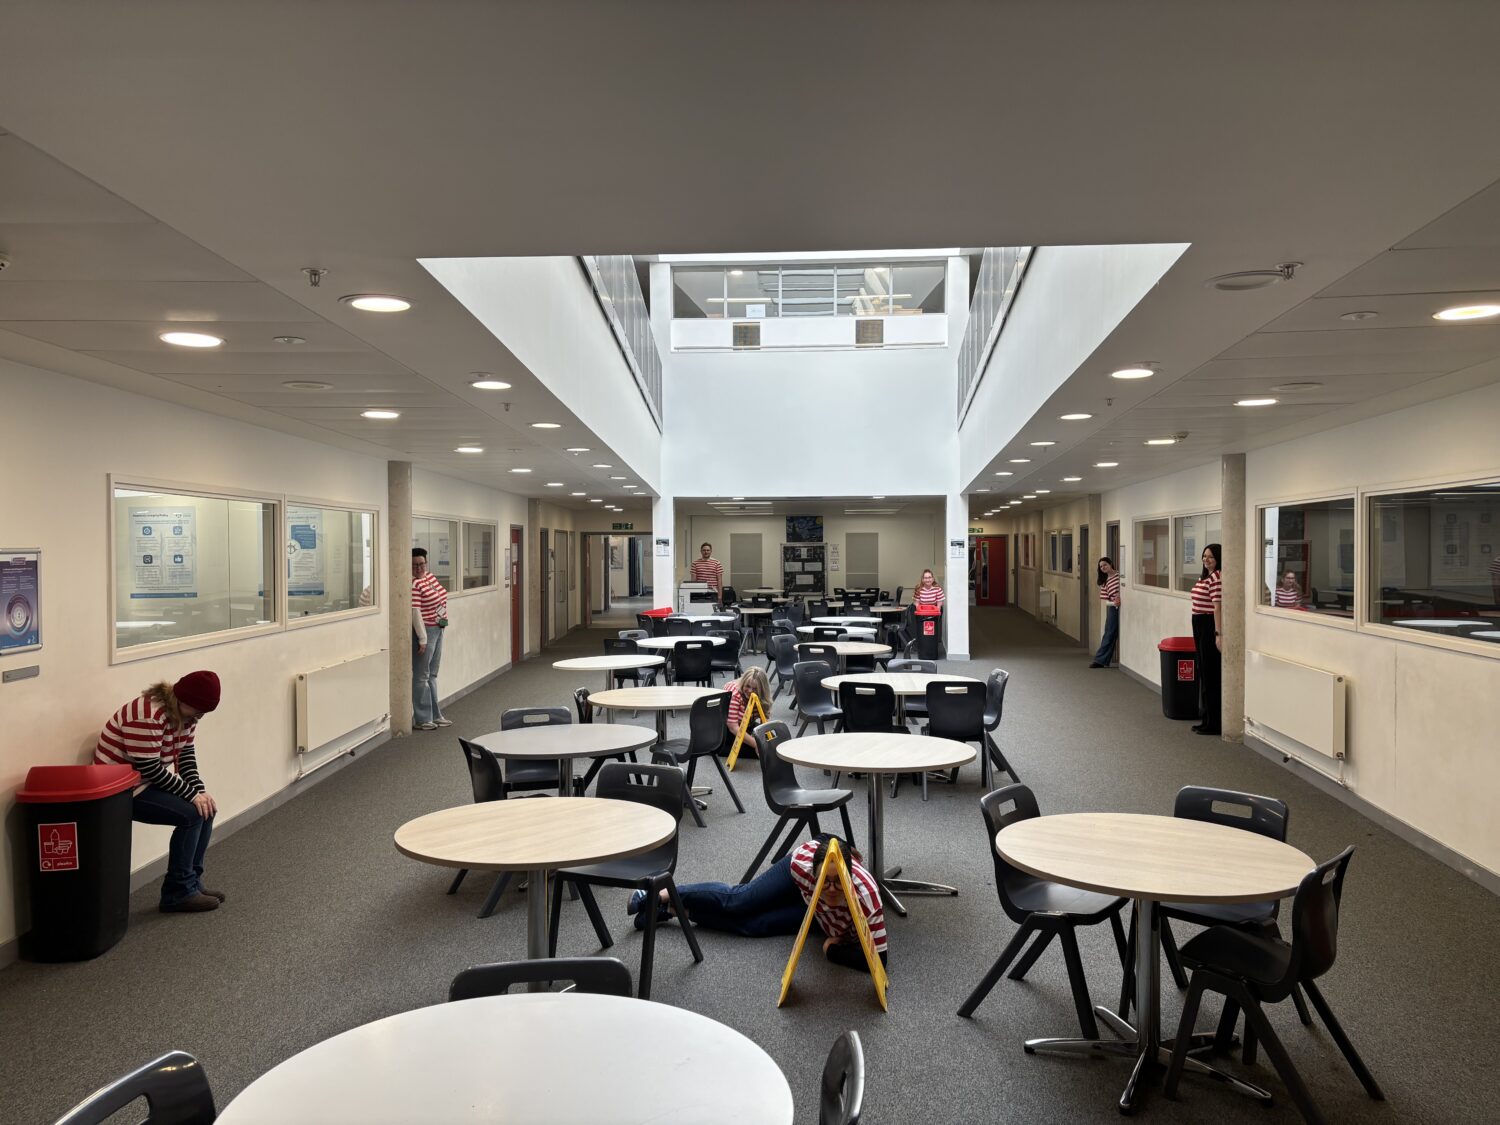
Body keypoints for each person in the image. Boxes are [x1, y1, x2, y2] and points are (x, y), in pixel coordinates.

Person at [628, 834, 887, 973]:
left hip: (816, 914)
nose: (830, 889)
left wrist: (833, 952)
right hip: (799, 883)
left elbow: (879, 961)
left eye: (838, 882)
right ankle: (659, 893)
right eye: (824, 881)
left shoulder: (867, 898)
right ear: (814, 875)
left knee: (755, 926)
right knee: (740, 901)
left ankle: (676, 911)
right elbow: (822, 838)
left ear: (850, 877)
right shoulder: (802, 867)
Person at [94, 671, 224, 913]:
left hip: (143, 781)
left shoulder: (186, 717)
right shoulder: (146, 716)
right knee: (192, 814)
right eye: (197, 711)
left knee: (206, 808)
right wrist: (192, 796)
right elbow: (150, 768)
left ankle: (192, 882)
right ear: (182, 699)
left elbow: (185, 757)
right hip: (119, 789)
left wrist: (199, 792)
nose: (199, 718)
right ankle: (178, 893)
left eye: (203, 714)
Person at [412, 547, 451, 730]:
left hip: (438, 628)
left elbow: (441, 598)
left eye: (421, 564)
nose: (419, 568)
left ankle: (436, 715)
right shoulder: (413, 584)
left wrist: (442, 621)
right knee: (422, 676)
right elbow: (415, 612)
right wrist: (422, 639)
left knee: (433, 674)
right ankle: (422, 718)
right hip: (426, 631)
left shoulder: (430, 577)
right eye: (414, 565)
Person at [1189, 543, 1223, 736]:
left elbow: (1217, 607)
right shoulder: (1204, 577)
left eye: (1210, 557)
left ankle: (1214, 723)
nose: (1206, 560)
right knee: (1203, 671)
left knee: (1211, 675)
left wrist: (1218, 634)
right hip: (1198, 623)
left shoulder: (1217, 578)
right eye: (1204, 556)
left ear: (1218, 558)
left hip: (1209, 624)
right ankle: (1205, 718)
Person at [724, 666, 773, 755]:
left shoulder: (762, 695)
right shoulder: (734, 695)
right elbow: (733, 727)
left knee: (772, 743)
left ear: (761, 689)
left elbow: (764, 719)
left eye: (755, 688)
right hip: (727, 732)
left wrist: (763, 738)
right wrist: (756, 744)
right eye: (747, 686)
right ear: (743, 683)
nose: (750, 691)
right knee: (762, 750)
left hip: (746, 725)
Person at [1090, 556, 1121, 667]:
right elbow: (1106, 601)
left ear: (1110, 564)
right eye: (1101, 566)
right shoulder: (1105, 582)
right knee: (1109, 633)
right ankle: (1100, 661)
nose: (1103, 567)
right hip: (1114, 609)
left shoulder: (1120, 576)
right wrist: (1115, 603)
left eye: (1105, 565)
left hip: (1127, 607)